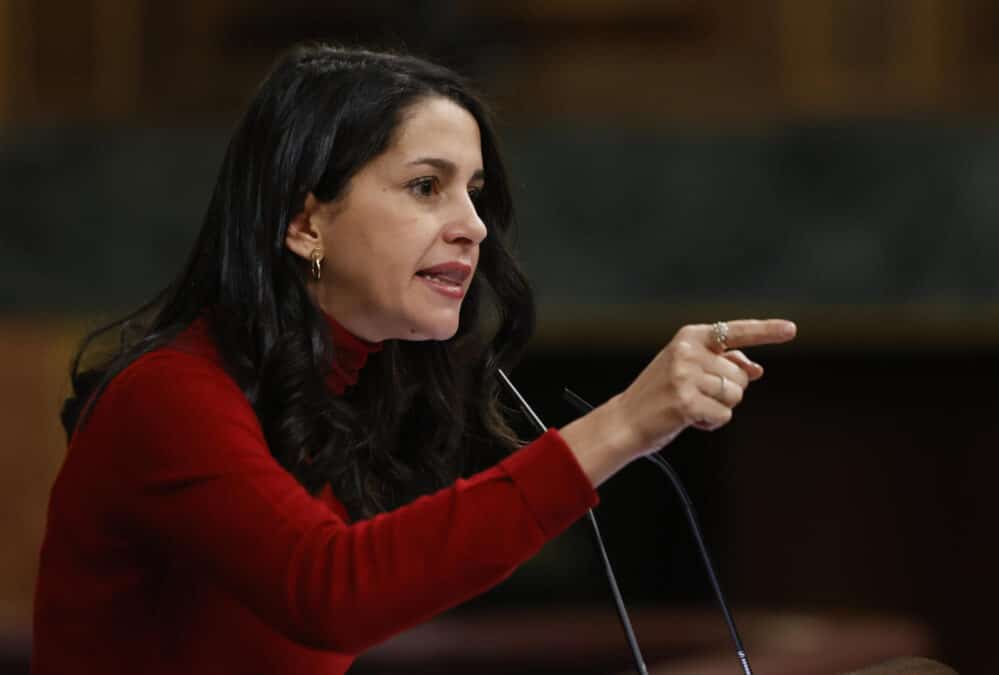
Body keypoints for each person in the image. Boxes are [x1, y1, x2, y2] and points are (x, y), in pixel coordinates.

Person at [32, 44, 796, 673]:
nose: (473, 226)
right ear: (304, 221)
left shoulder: (331, 401)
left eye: (475, 193)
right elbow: (330, 590)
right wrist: (626, 422)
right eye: (427, 186)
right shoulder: (168, 393)